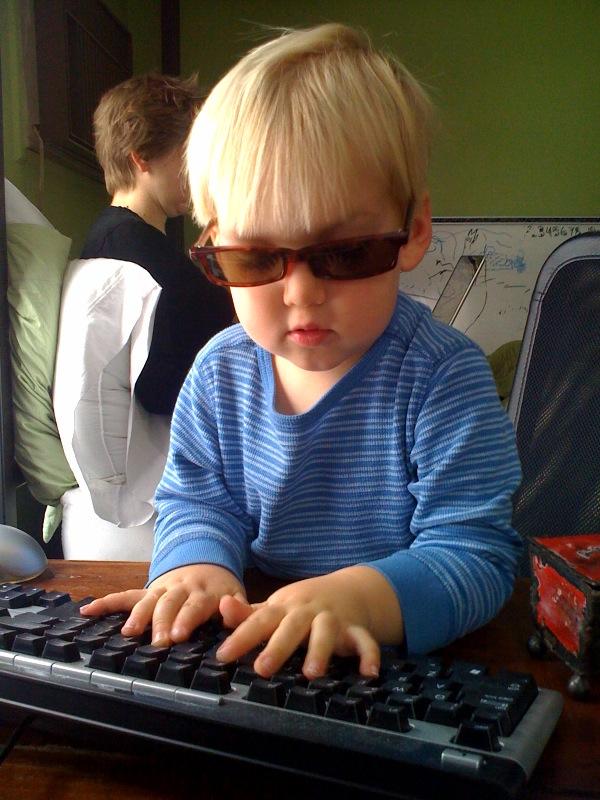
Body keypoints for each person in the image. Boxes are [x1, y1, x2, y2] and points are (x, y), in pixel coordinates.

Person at [81, 24, 522, 679]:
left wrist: (359, 598)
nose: (301, 294)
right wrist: (196, 565)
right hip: (257, 648)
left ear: (413, 232)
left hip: (389, 665)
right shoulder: (219, 374)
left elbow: (476, 552)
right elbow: (199, 504)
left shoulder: (442, 377)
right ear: (214, 243)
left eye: (347, 253)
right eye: (256, 257)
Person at [83, 72, 233, 414]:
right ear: (142, 156)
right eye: (188, 154)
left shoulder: (119, 237)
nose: (197, 172)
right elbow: (162, 384)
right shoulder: (131, 249)